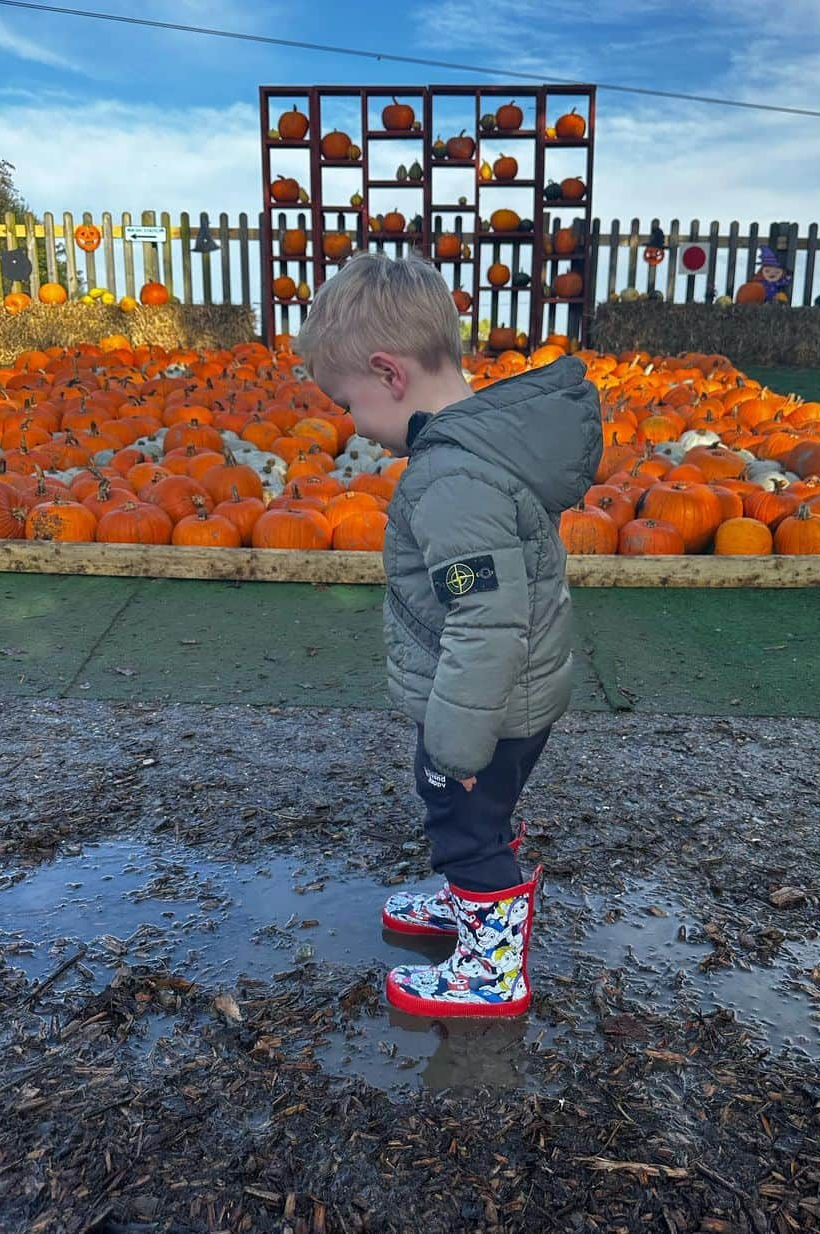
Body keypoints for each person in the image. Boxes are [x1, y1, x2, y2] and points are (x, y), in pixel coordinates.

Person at [295, 251, 602, 1018]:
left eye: (349, 402)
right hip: (508, 694)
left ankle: (491, 970)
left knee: (464, 823)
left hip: (485, 707)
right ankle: (472, 904)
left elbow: (486, 619)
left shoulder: (451, 482)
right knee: (481, 813)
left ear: (389, 374)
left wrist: (455, 747)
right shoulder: (473, 452)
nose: (353, 424)